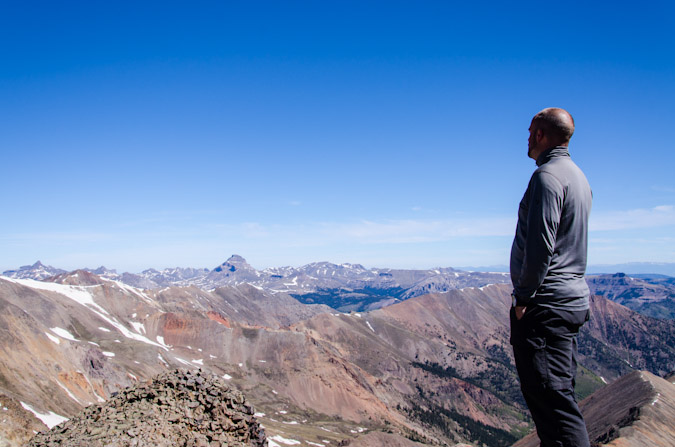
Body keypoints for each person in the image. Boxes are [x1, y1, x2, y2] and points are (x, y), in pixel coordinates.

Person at [509, 107, 592, 447]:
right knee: (558, 395)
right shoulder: (578, 177)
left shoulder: (547, 177)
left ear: (541, 135)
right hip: (569, 300)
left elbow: (541, 245)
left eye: (531, 131)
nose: (527, 137)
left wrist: (524, 299)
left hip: (545, 306)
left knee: (554, 406)